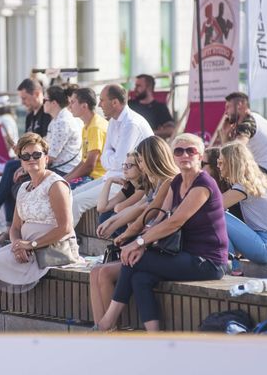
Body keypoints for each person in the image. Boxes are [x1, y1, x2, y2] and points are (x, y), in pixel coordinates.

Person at [95, 133, 228, 332]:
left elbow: (175, 221)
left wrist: (138, 243)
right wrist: (143, 244)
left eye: (190, 151)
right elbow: (161, 217)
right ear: (173, 156)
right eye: (179, 151)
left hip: (208, 262)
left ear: (200, 156)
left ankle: (107, 322)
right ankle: (154, 336)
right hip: (183, 254)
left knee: (134, 260)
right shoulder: (176, 182)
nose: (184, 155)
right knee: (140, 278)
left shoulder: (203, 184)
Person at [0, 133, 81, 333]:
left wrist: (31, 245)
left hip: (52, 249)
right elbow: (14, 227)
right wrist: (17, 244)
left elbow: (65, 227)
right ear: (20, 161)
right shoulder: (23, 188)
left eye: (36, 155)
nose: (31, 159)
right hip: (26, 246)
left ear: (46, 158)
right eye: (26, 156)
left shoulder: (56, 185)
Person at [90, 136, 178, 324]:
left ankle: (108, 329)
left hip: (160, 247)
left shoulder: (169, 181)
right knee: (95, 271)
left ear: (153, 159)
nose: (141, 165)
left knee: (104, 273)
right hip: (148, 242)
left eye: (141, 161)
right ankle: (100, 330)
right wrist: (114, 224)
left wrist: (125, 235)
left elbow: (147, 211)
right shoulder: (157, 183)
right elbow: (140, 208)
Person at [0, 79, 52, 245]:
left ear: (37, 94)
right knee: (6, 180)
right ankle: (8, 228)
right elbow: (27, 146)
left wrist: (23, 164)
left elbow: (44, 149)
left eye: (24, 98)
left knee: (9, 171)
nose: (22, 102)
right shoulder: (30, 116)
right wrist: (19, 155)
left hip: (41, 163)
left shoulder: (47, 114)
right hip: (29, 161)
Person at [71, 84, 153, 227]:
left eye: (102, 100)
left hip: (129, 181)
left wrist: (111, 157)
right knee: (72, 195)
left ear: (115, 102)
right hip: (112, 176)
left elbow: (120, 163)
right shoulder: (114, 121)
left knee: (77, 202)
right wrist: (112, 158)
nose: (99, 105)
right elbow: (107, 159)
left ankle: (65, 237)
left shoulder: (131, 123)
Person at [219, 142, 267, 271]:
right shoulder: (253, 182)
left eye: (221, 162)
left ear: (231, 163)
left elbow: (213, 206)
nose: (218, 166)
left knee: (216, 215)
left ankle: (228, 263)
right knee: (218, 218)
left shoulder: (244, 186)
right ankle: (231, 263)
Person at [220, 92, 267, 187]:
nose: (226, 112)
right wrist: (226, 135)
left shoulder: (248, 123)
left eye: (228, 107)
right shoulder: (253, 118)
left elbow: (235, 152)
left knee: (222, 170)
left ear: (239, 105)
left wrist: (224, 137)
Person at [64, 88, 108, 189]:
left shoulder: (95, 127)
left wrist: (65, 181)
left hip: (98, 178)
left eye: (73, 102)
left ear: (84, 106)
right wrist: (64, 179)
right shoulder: (87, 126)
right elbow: (84, 161)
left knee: (62, 191)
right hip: (91, 176)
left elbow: (89, 166)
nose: (69, 106)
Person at [43, 85, 82, 176]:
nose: (43, 103)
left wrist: (28, 164)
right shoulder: (57, 119)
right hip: (59, 168)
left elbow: (51, 156)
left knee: (19, 173)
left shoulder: (62, 122)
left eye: (44, 100)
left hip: (64, 170)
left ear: (54, 103)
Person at [128, 74, 174, 139]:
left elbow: (170, 130)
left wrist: (148, 133)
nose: (135, 89)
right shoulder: (129, 105)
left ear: (148, 87)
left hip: (149, 142)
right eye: (135, 86)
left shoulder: (159, 107)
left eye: (138, 86)